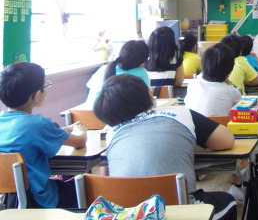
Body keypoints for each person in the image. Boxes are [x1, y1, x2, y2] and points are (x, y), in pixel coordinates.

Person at [93, 74, 237, 220]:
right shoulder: (180, 113)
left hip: (127, 215)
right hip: (179, 213)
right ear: (149, 96)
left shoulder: (111, 134)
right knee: (228, 201)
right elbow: (226, 140)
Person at [0, 62, 87, 209]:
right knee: (84, 187)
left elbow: (28, 134)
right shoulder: (38, 124)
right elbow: (80, 142)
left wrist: (66, 129)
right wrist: (80, 130)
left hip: (8, 201)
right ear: (36, 95)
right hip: (37, 200)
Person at [85, 40, 150, 106]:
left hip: (87, 110)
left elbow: (88, 88)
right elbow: (146, 99)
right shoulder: (141, 72)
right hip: (112, 111)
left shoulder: (103, 69)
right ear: (142, 61)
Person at [184, 43, 243, 116]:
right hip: (219, 123)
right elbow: (241, 112)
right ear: (230, 71)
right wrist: (230, 84)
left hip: (192, 123)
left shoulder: (193, 85)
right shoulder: (232, 92)